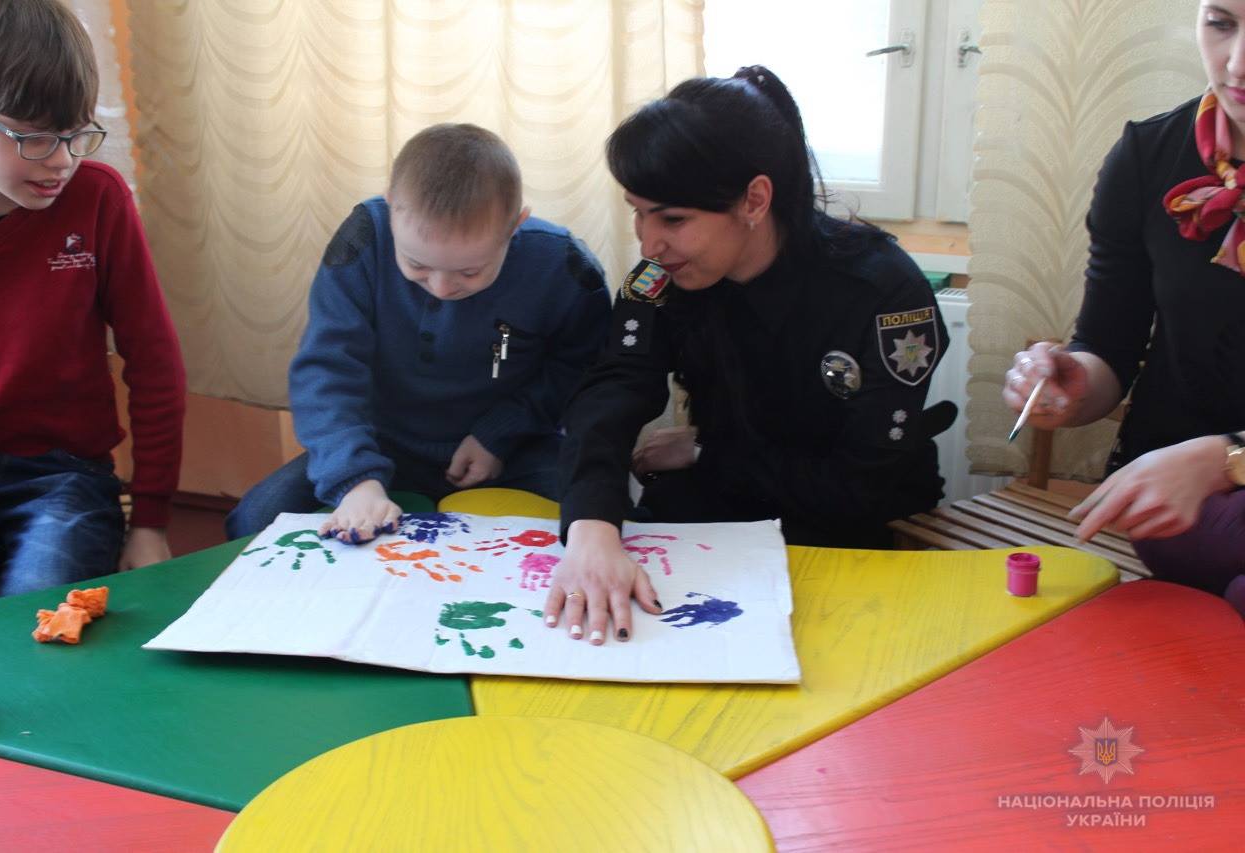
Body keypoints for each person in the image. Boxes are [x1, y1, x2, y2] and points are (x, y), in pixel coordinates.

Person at [547, 66, 952, 644]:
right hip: (723, 496)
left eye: (673, 219)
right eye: (638, 211)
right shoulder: (656, 280)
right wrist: (590, 526)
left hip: (845, 517)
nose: (648, 242)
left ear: (755, 200)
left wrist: (710, 450)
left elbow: (859, 484)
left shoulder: (884, 292)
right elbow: (613, 388)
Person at [225, 123, 611, 543]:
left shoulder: (565, 268)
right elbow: (327, 371)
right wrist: (355, 481)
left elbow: (579, 371)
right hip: (381, 441)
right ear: (392, 208)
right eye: (417, 265)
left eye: (470, 270)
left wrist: (500, 434)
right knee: (257, 516)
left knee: (604, 518)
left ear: (515, 225)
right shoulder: (363, 238)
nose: (443, 288)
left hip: (514, 448)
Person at [1003, 0, 1245, 618]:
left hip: (1202, 491)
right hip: (1176, 506)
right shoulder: (1149, 156)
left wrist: (1227, 460)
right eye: (1221, 24)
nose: (1237, 63)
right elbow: (1108, 346)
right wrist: (1069, 383)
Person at [0, 0, 186, 603]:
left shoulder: (99, 200)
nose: (61, 159)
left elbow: (155, 362)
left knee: (39, 621)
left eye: (75, 133)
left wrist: (149, 522)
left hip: (65, 479)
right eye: (32, 137)